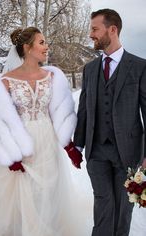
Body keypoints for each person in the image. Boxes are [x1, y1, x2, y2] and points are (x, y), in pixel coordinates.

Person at [0, 26, 83, 236]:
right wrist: (9, 155)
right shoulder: (4, 81)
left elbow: (59, 113)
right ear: (27, 48)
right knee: (23, 199)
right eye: (42, 42)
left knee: (47, 195)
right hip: (20, 147)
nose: (47, 47)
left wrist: (69, 146)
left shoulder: (53, 77)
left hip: (47, 144)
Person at [73, 8, 146, 236]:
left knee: (123, 212)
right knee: (104, 207)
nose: (90, 34)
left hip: (129, 155)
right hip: (97, 153)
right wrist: (78, 145)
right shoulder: (90, 69)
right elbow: (84, 110)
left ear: (112, 29)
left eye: (95, 29)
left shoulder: (140, 67)